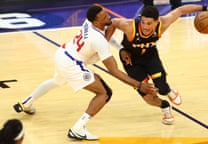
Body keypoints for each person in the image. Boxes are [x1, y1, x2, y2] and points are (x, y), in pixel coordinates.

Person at [12, 5, 158, 140]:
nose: (109, 18)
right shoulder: (98, 40)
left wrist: (120, 48)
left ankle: (27, 103)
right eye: (104, 17)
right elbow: (114, 71)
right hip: (72, 64)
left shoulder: (89, 24)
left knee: (57, 81)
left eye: (107, 14)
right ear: (96, 21)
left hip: (62, 54)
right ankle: (77, 129)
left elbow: (106, 37)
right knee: (104, 93)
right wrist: (139, 85)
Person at [105, 4, 208, 125]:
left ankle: (168, 90)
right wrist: (112, 46)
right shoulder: (129, 26)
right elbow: (113, 22)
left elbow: (180, 10)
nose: (145, 27)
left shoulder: (163, 23)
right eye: (143, 22)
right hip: (131, 60)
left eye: (149, 23)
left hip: (150, 56)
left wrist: (205, 8)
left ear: (156, 22)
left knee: (162, 88)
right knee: (146, 93)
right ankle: (165, 107)